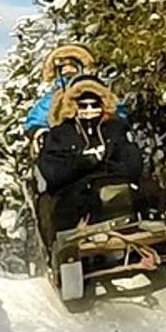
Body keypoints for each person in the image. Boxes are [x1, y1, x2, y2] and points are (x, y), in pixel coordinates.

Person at [36, 74, 144, 244]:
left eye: (94, 104)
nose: (89, 109)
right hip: (75, 195)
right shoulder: (60, 134)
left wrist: (106, 164)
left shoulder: (116, 129)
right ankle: (74, 249)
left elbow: (133, 162)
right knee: (60, 203)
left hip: (117, 185)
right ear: (73, 105)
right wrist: (84, 162)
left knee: (145, 190)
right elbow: (53, 172)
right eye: (83, 104)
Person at [25, 44, 95, 134]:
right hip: (63, 141)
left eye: (72, 67)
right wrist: (38, 132)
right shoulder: (53, 98)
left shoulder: (96, 91)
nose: (67, 70)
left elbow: (113, 107)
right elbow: (37, 119)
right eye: (64, 68)